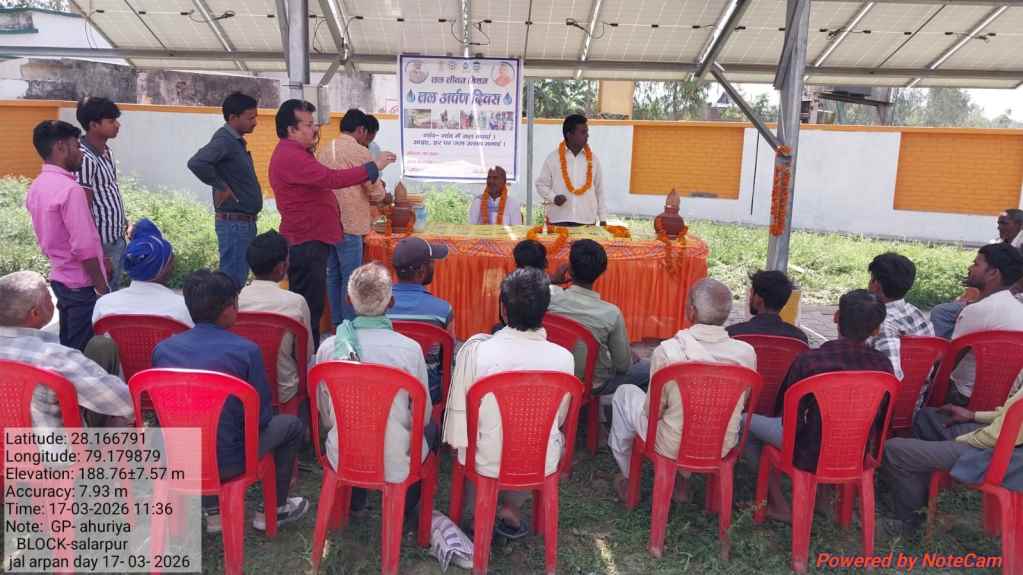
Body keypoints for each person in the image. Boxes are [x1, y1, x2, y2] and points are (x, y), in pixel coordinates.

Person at [153, 270, 309, 532]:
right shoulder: (246, 351)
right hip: (231, 462)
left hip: (178, 457)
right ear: (228, 309)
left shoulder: (163, 350)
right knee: (291, 426)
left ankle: (213, 511)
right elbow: (261, 419)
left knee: (201, 427)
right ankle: (274, 509)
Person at [443, 267, 575, 537]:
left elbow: (465, 421)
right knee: (541, 435)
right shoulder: (564, 358)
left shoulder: (477, 353)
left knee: (479, 438)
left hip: (484, 459)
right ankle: (511, 508)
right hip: (538, 460)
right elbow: (559, 419)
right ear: (545, 311)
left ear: (503, 309)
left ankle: (478, 513)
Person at [747, 289, 892, 521]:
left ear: (836, 317)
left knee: (745, 422)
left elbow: (789, 416)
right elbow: (882, 418)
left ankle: (778, 503)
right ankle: (823, 500)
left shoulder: (809, 361)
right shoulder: (883, 366)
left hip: (807, 452)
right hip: (855, 451)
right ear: (876, 329)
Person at [609, 278, 756, 500]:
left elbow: (653, 412)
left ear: (691, 311)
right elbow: (743, 402)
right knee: (692, 414)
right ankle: (682, 482)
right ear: (726, 315)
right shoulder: (746, 353)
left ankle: (629, 478)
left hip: (672, 445)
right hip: (721, 443)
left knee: (625, 394)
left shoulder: (669, 351)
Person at [268, 99, 396, 347]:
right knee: (313, 304)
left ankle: (326, 338)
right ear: (291, 130)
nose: (314, 129)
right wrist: (374, 167)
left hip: (317, 236)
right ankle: (312, 354)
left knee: (322, 292)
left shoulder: (310, 151)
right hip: (307, 238)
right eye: (308, 125)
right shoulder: (291, 155)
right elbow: (332, 179)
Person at [315, 263, 435, 513]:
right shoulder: (409, 350)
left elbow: (325, 415)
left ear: (348, 301)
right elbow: (422, 418)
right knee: (431, 429)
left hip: (342, 454)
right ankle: (404, 509)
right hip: (395, 461)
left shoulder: (328, 349)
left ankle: (355, 496)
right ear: (391, 302)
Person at [882, 382, 1023, 537]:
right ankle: (919, 497)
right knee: (927, 418)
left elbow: (995, 436)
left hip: (1005, 455)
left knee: (894, 451)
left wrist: (959, 440)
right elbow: (1010, 412)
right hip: (1006, 437)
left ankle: (909, 525)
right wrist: (972, 415)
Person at [0, 271, 132, 428]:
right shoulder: (53, 358)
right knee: (120, 420)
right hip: (55, 444)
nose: (55, 304)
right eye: (49, 298)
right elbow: (124, 402)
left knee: (100, 346)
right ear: (35, 313)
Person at [26, 120, 110, 351]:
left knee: (68, 343)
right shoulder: (70, 190)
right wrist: (101, 288)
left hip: (61, 278)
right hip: (81, 284)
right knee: (80, 351)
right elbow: (84, 247)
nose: (81, 153)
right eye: (77, 146)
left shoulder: (37, 186)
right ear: (61, 147)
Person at [549, 239, 649, 396]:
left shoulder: (549, 297)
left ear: (569, 269)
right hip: (592, 384)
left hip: (554, 375)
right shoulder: (611, 313)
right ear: (602, 271)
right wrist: (627, 355)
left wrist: (553, 281)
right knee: (648, 369)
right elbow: (622, 366)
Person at [317, 108, 387, 326]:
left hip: (326, 222)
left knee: (333, 275)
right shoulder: (360, 152)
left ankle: (337, 324)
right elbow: (374, 191)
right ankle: (348, 324)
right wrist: (382, 193)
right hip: (350, 223)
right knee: (350, 278)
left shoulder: (324, 149)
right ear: (361, 130)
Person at [187, 92, 263, 289]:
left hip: (241, 223)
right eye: (250, 118)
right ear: (233, 117)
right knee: (232, 283)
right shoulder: (225, 140)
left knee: (236, 280)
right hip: (235, 224)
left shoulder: (234, 141)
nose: (255, 122)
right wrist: (221, 186)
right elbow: (197, 163)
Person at [942, 243, 1023, 406]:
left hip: (963, 397)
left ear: (993, 273)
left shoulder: (978, 310)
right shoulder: (1018, 309)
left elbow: (949, 362)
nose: (970, 268)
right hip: (1004, 401)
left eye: (976, 264)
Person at [238, 230, 313, 407]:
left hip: (243, 389)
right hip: (284, 394)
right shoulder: (296, 303)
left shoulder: (235, 301)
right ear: (281, 267)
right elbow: (306, 355)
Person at [931, 209, 1023, 338]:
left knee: (941, 312)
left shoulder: (978, 310)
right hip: (1002, 298)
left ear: (1019, 224)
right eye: (998, 223)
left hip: (1006, 298)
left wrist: (974, 302)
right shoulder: (1001, 244)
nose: (999, 227)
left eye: (1004, 223)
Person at [91, 218, 192, 327]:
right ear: (163, 268)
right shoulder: (182, 307)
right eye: (170, 260)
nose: (173, 265)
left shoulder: (105, 305)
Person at [76, 97, 127, 291]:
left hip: (115, 237)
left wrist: (123, 220)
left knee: (113, 290)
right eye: (111, 121)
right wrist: (96, 250)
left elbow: (108, 191)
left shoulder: (106, 151)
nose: (117, 125)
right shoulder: (85, 158)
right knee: (104, 294)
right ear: (93, 125)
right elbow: (83, 207)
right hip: (102, 243)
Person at [864, 252, 933, 381]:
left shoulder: (881, 324)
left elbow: (890, 377)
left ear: (876, 284)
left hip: (892, 392)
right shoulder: (917, 313)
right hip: (918, 390)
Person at [535, 114, 607, 226]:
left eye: (587, 132)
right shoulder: (553, 158)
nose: (587, 136)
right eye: (583, 132)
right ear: (569, 135)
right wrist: (554, 198)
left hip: (586, 221)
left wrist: (603, 218)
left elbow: (599, 190)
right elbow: (541, 184)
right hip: (559, 220)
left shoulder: (593, 160)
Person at [387, 237, 454, 331]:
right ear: (422, 270)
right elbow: (449, 341)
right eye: (432, 262)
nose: (434, 265)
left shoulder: (377, 308)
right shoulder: (443, 311)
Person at [726, 270, 808, 343]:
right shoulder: (799, 338)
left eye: (751, 293)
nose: (749, 298)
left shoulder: (732, 334)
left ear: (758, 299)